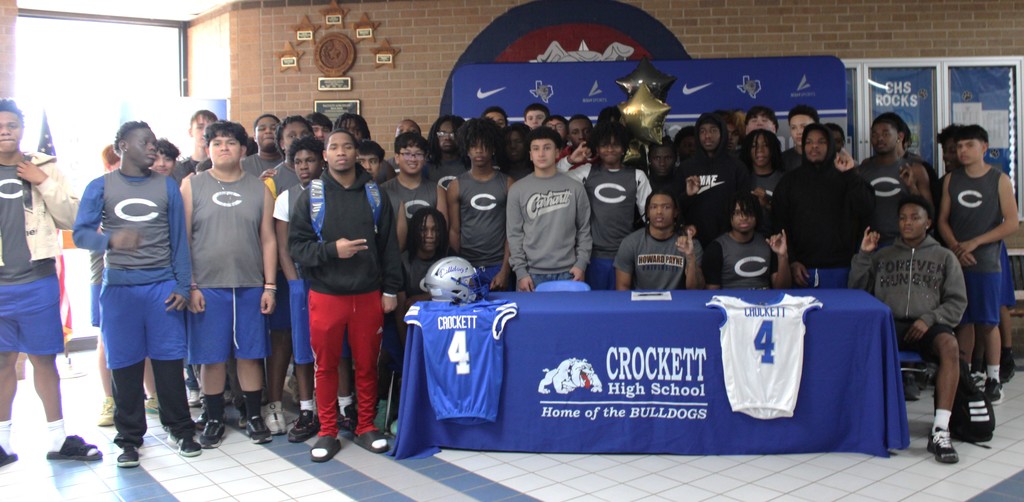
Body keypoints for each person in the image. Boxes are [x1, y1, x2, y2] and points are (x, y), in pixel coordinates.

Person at [74, 120, 199, 467]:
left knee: (169, 363)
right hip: (119, 289)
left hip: (162, 288)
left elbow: (179, 241)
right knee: (125, 365)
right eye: (144, 142)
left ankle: (181, 429)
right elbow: (80, 234)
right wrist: (109, 241)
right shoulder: (100, 187)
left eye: (154, 143)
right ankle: (128, 439)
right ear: (122, 146)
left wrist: (182, 285)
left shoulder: (167, 187)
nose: (152, 149)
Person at [289, 128, 402, 459]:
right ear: (325, 155)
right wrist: (331, 251)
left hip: (368, 294)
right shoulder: (312, 195)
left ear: (356, 154)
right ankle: (327, 431)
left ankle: (365, 425)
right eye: (333, 147)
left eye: (347, 147)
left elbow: (389, 248)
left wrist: (391, 289)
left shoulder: (375, 195)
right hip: (325, 295)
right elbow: (296, 246)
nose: (341, 152)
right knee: (325, 366)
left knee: (366, 364)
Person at [0, 98, 99, 469]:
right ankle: (2, 442)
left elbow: (74, 217)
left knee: (45, 361)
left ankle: (58, 438)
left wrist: (42, 183)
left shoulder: (44, 168)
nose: (5, 131)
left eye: (11, 125)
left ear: (21, 129)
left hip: (37, 280)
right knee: (3, 363)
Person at [181, 120, 278, 447]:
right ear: (207, 149)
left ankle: (252, 416)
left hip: (250, 285)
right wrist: (191, 286)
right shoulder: (192, 186)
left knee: (250, 355)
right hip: (207, 286)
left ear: (242, 148)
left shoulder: (259, 189)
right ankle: (213, 418)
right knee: (211, 357)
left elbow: (268, 240)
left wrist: (270, 285)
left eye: (231, 142)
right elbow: (184, 241)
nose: (224, 147)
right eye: (217, 142)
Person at [850, 195, 965, 464]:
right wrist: (864, 255)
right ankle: (867, 423)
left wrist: (930, 318)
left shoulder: (944, 257)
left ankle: (940, 429)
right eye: (902, 218)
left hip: (927, 324)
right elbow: (856, 291)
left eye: (915, 217)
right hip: (890, 324)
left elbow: (958, 302)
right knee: (861, 345)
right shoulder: (883, 255)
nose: (907, 223)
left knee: (949, 345)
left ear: (928, 223)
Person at [937, 125, 1018, 404]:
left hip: (985, 263)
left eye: (968, 145)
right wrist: (956, 248)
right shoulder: (951, 180)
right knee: (963, 321)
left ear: (984, 147)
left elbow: (1010, 223)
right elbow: (942, 220)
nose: (962, 151)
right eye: (959, 147)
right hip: (957, 262)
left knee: (987, 321)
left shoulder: (999, 180)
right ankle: (966, 373)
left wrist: (975, 243)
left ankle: (994, 378)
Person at [772, 123, 873, 288]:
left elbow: (866, 208)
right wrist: (792, 260)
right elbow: (779, 224)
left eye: (821, 142)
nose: (814, 146)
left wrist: (850, 174)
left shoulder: (847, 177)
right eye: (809, 142)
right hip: (801, 272)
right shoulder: (789, 182)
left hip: (842, 269)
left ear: (831, 145)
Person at [272, 135, 325, 443]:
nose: (305, 167)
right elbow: (283, 247)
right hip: (300, 282)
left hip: (330, 281)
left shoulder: (333, 191)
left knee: (332, 349)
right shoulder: (286, 197)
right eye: (299, 162)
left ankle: (337, 406)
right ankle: (307, 410)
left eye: (310, 160)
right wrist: (293, 283)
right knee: (303, 349)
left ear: (321, 162)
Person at [565, 121, 651, 290]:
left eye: (616, 145)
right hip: (592, 256)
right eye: (604, 145)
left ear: (624, 148)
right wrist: (570, 160)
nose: (610, 150)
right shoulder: (586, 171)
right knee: (595, 308)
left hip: (625, 255)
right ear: (596, 148)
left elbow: (650, 217)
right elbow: (554, 178)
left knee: (623, 308)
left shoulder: (637, 176)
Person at [506, 127, 592, 291]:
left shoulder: (575, 188)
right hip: (531, 275)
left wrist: (581, 264)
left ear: (557, 152)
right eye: (536, 149)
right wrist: (521, 272)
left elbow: (584, 230)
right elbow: (514, 235)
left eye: (547, 148)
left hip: (569, 272)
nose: (541, 154)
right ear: (530, 154)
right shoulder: (517, 189)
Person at [447, 118, 512, 291]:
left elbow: (513, 232)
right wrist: (460, 269)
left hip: (498, 265)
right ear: (466, 149)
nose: (479, 151)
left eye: (485, 145)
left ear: (493, 148)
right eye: (474, 145)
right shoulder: (456, 185)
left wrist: (505, 270)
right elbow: (454, 230)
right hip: (468, 266)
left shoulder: (508, 183)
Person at [858, 113, 934, 246]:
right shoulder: (862, 170)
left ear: (899, 137)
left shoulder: (915, 169)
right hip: (871, 243)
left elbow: (930, 212)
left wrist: (912, 187)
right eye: (874, 135)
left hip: (905, 243)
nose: (879, 138)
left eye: (886, 134)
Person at [678, 112, 751, 248]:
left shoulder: (737, 167)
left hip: (730, 242)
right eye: (703, 131)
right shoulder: (685, 168)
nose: (708, 136)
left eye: (713, 131)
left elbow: (746, 206)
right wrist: (688, 196)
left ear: (722, 133)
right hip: (693, 241)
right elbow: (675, 207)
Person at [614, 190, 703, 290]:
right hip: (641, 304)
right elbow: (622, 288)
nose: (659, 211)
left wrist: (690, 257)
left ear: (675, 212)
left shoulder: (690, 244)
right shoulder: (631, 243)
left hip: (677, 304)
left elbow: (695, 289)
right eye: (654, 207)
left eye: (666, 207)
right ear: (647, 212)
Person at [702, 192, 790, 290]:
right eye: (737, 213)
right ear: (729, 216)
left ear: (757, 215)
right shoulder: (716, 248)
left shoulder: (769, 243)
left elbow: (783, 289)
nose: (743, 217)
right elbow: (711, 294)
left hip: (764, 303)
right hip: (730, 304)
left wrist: (782, 256)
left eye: (748, 212)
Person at [382, 132, 448, 225]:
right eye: (407, 154)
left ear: (425, 158)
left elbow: (442, 229)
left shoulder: (438, 191)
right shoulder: (384, 190)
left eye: (418, 154)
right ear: (397, 158)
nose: (413, 159)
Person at [740, 129, 785, 234]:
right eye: (754, 146)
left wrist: (767, 205)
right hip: (747, 241)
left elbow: (790, 216)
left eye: (766, 145)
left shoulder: (785, 179)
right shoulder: (741, 179)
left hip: (778, 240)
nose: (760, 150)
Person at [172, 109, 217, 183]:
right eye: (200, 127)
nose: (204, 133)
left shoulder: (222, 166)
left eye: (209, 128)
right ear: (190, 132)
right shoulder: (178, 168)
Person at [425, 115, 466, 189]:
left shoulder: (471, 166)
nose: (447, 138)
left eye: (453, 134)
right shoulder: (425, 167)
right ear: (435, 136)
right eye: (442, 134)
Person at [241, 113, 282, 178]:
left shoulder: (292, 163)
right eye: (262, 129)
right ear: (254, 137)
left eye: (274, 128)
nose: (268, 131)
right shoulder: (242, 166)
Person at [781, 104, 818, 171]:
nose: (798, 132)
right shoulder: (782, 159)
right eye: (793, 128)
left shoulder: (826, 156)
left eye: (803, 126)